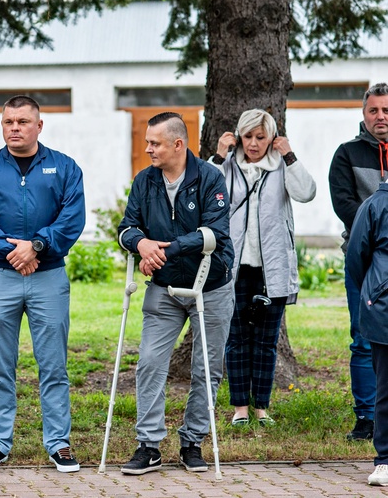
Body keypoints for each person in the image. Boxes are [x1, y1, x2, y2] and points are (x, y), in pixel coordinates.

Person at [0, 95, 85, 473]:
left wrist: (36, 246)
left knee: (53, 364)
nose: (14, 128)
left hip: (48, 276)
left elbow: (72, 217)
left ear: (39, 126)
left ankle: (59, 442)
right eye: (8, 122)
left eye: (21, 121)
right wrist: (14, 252)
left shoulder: (64, 167)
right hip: (0, 277)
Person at [117, 112, 234, 474]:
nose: (148, 148)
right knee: (150, 362)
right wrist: (142, 245)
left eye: (155, 143)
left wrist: (163, 250)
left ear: (178, 144)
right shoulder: (145, 180)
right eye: (147, 142)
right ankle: (149, 445)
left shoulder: (210, 177)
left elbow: (214, 233)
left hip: (210, 286)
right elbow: (126, 229)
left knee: (207, 369)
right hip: (164, 289)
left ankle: (192, 442)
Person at [211, 109, 316, 426]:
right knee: (237, 340)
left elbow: (306, 192)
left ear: (272, 138)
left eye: (261, 137)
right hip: (236, 268)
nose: (254, 144)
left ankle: (262, 408)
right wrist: (218, 155)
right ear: (239, 136)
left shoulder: (281, 167)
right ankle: (240, 409)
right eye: (248, 137)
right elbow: (203, 193)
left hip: (273, 268)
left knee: (266, 343)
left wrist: (291, 156)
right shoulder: (228, 166)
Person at [329, 83, 388, 441]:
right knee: (364, 339)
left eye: (386, 110)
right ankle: (366, 418)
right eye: (374, 111)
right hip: (364, 261)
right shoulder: (346, 153)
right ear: (363, 115)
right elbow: (344, 204)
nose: (381, 117)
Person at [346, 178, 388, 486]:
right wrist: (376, 292)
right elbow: (356, 258)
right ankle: (385, 460)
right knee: (385, 387)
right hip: (384, 308)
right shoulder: (373, 205)